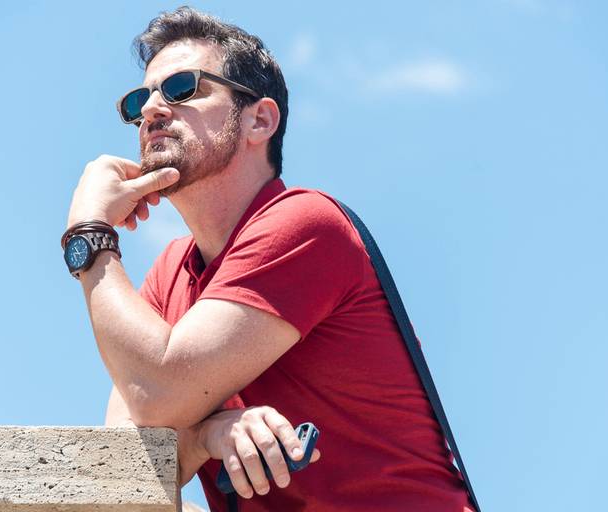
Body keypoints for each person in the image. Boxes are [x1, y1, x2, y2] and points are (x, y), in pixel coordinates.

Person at [64, 7, 473, 512]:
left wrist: (90, 234)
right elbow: (121, 467)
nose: (150, 110)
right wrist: (208, 435)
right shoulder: (170, 273)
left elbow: (157, 394)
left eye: (181, 88)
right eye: (138, 101)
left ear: (259, 120)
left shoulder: (305, 224)